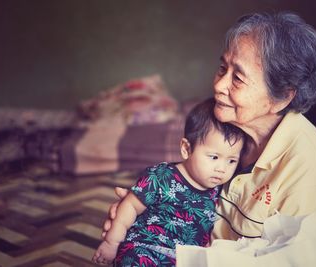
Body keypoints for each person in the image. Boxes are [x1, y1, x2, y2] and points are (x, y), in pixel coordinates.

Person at [102, 11, 316, 259]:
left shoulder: (308, 173)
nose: (218, 85)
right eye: (222, 68)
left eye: (237, 78)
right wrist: (143, 207)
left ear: (282, 97)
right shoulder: (229, 128)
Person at [93, 98, 245, 266]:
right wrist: (111, 243)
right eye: (214, 157)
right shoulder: (161, 176)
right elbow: (129, 206)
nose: (222, 168)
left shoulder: (221, 191)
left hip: (183, 260)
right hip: (145, 248)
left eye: (231, 161)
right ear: (186, 149)